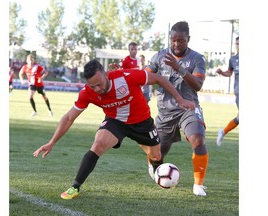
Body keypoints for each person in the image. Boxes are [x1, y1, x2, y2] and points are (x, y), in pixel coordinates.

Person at [33, 59, 195, 200]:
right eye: (92, 86)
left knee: (156, 156)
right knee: (98, 144)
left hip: (142, 122)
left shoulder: (127, 77)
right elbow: (69, 117)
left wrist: (179, 99)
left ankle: (156, 170)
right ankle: (75, 186)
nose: (96, 89)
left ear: (106, 75)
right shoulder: (87, 92)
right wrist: (52, 142)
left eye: (99, 84)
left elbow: (159, 79)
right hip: (115, 122)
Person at [146, 21, 209, 196]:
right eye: (173, 40)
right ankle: (155, 167)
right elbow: (144, 75)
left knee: (198, 139)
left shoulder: (197, 59)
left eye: (180, 40)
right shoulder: (159, 56)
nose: (176, 44)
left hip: (188, 108)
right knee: (156, 155)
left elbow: (197, 85)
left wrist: (179, 68)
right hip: (165, 112)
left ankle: (198, 185)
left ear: (188, 39)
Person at [216, 36, 239, 146]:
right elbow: (229, 72)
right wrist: (221, 72)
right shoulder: (233, 59)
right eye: (237, 43)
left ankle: (223, 131)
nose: (238, 45)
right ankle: (223, 131)